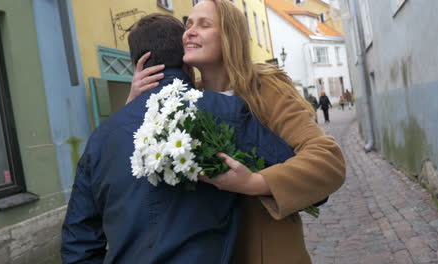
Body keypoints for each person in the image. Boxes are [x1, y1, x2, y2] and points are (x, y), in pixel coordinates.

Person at [61, 13, 298, 264]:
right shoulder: (224, 111)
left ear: (137, 66)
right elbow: (293, 177)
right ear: (188, 62)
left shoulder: (100, 138)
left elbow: (78, 242)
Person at [127, 1, 346, 263]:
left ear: (230, 36)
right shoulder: (184, 99)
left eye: (204, 25)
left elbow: (328, 159)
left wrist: (255, 183)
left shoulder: (265, 89)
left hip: (265, 250)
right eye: (188, 25)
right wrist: (134, 102)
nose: (189, 32)